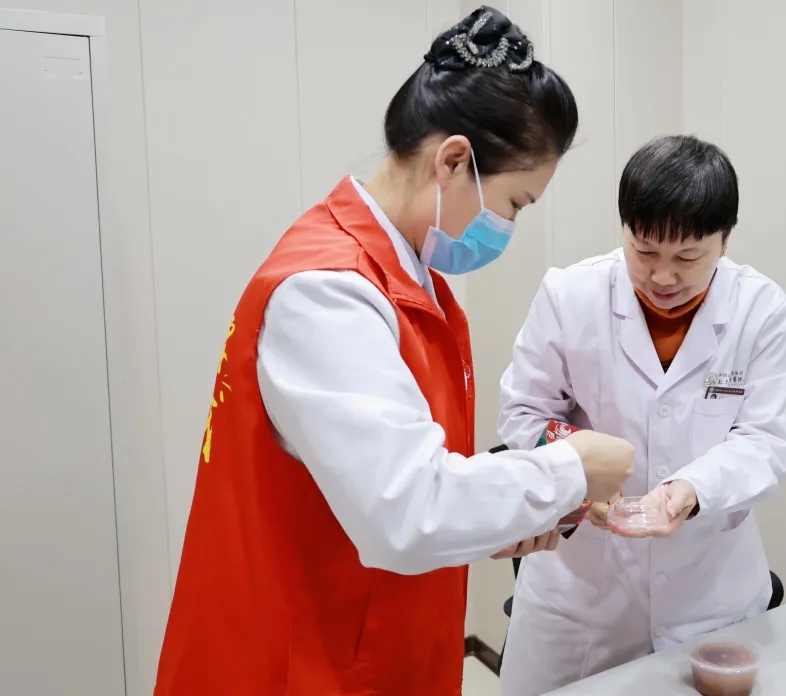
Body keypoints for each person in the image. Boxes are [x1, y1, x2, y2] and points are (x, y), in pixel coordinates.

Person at [153, 7, 635, 695]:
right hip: (303, 663)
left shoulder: (408, 279)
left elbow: (404, 479)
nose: (507, 226)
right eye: (515, 204)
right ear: (454, 161)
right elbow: (406, 512)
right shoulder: (328, 293)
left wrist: (498, 518)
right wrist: (571, 468)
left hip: (374, 642)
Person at [497, 134, 786, 695]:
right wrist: (580, 480)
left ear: (725, 240)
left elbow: (767, 441)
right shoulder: (570, 295)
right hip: (581, 597)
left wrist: (691, 489)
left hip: (708, 594)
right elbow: (524, 413)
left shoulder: (760, 309)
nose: (662, 277)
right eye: (644, 251)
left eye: (687, 257)